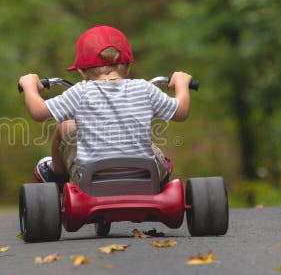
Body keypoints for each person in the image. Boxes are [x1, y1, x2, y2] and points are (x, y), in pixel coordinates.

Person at [18, 25, 193, 191]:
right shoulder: (145, 89)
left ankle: (57, 174)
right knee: (150, 145)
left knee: (65, 126)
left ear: (82, 72)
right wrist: (182, 84)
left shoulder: (81, 91)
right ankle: (159, 175)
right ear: (129, 67)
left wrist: (29, 86)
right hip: (146, 177)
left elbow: (38, 112)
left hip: (90, 180)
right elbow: (181, 112)